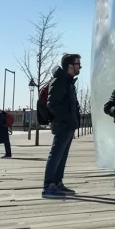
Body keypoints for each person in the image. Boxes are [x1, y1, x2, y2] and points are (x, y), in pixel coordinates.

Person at [42, 53, 82, 199]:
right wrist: (66, 119)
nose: (80, 67)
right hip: (62, 124)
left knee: (62, 155)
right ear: (70, 66)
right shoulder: (59, 81)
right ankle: (48, 186)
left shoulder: (68, 81)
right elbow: (52, 104)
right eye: (78, 64)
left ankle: (57, 182)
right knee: (56, 154)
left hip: (69, 124)